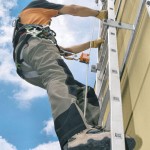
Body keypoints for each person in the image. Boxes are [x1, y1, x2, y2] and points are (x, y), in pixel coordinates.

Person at [12, 0, 135, 149]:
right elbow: (74, 9)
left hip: (26, 66)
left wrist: (92, 44)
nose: (50, 20)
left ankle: (93, 133)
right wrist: (99, 14)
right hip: (33, 46)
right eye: (50, 19)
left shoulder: (34, 32)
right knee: (57, 77)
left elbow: (66, 51)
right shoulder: (36, 7)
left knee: (83, 91)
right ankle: (75, 133)